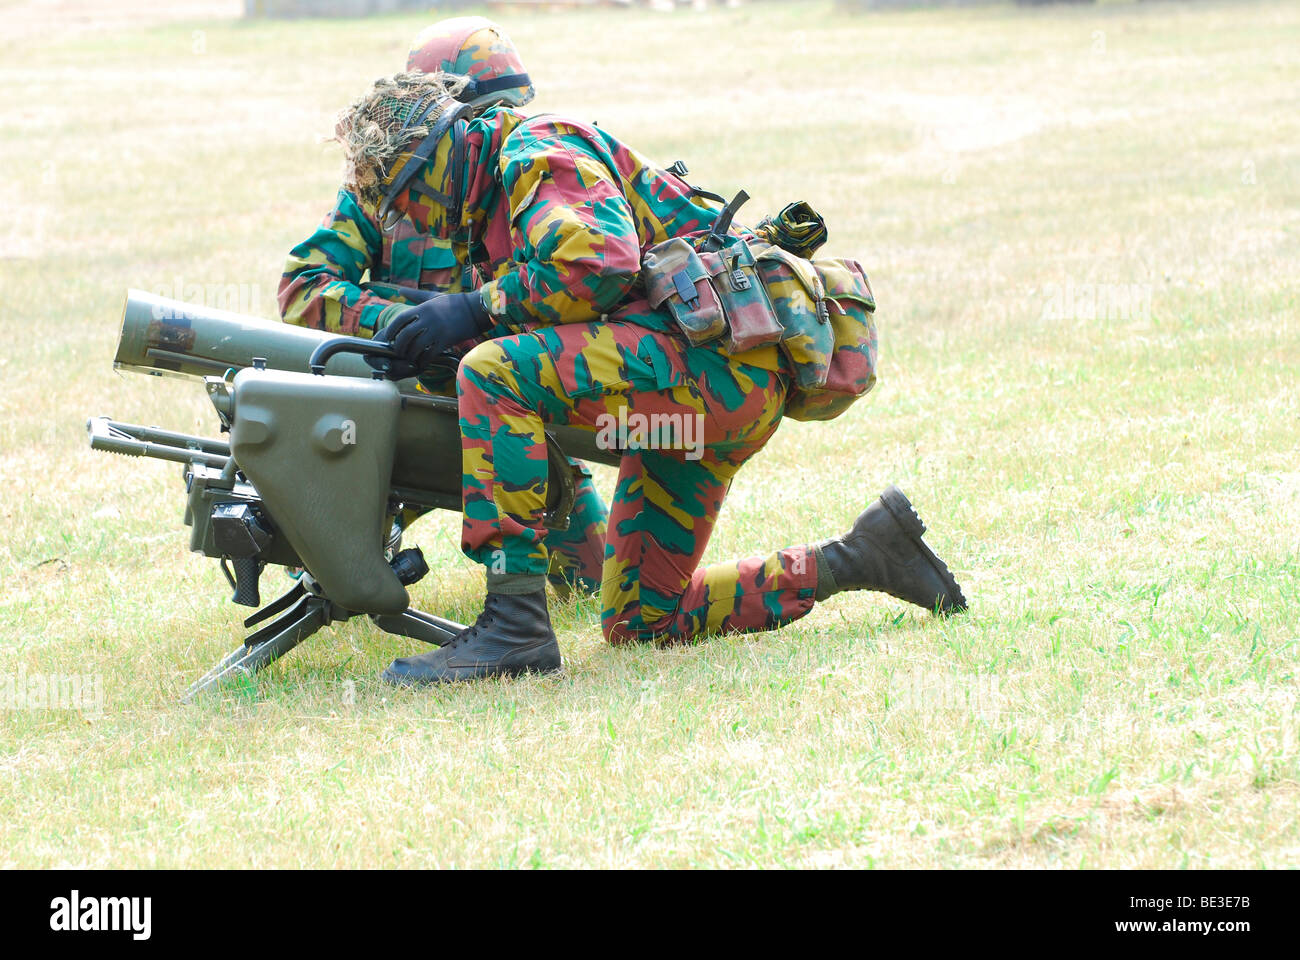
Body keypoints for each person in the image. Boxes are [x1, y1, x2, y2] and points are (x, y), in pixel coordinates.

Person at [323, 72, 967, 685]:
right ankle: (861, 556)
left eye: (407, 195)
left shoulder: (531, 150)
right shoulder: (493, 185)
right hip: (716, 391)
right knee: (642, 621)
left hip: (708, 370)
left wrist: (471, 310)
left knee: (491, 378)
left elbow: (595, 265)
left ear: (439, 154)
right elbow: (573, 314)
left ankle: (514, 625)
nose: (411, 217)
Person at [276, 18, 606, 597]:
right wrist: (401, 326)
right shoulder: (386, 185)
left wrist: (478, 316)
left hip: (511, 409)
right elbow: (303, 286)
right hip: (398, 407)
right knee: (325, 563)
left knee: (594, 588)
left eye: (506, 113)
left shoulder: (530, 181)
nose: (495, 132)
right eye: (479, 117)